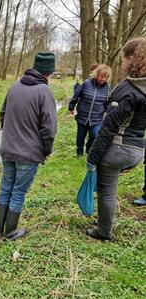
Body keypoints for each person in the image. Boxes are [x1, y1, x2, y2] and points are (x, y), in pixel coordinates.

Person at [86, 37, 146, 240]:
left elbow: (107, 129)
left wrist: (91, 159)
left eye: (124, 59)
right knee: (110, 190)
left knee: (106, 192)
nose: (122, 63)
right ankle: (106, 220)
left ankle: (104, 231)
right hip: (137, 150)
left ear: (132, 59)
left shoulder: (127, 89)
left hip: (117, 149)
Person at [0, 52, 57, 240]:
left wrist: (9, 136)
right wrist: (46, 150)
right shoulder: (44, 92)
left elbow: (3, 114)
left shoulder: (15, 85)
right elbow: (49, 128)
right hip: (28, 154)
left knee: (6, 188)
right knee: (18, 192)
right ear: (49, 71)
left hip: (7, 149)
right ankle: (10, 232)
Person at [68, 64, 111, 157]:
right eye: (101, 76)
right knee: (81, 136)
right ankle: (79, 153)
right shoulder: (87, 83)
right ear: (97, 74)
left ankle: (88, 150)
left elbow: (107, 103)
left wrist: (108, 111)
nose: (102, 79)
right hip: (82, 115)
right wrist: (71, 107)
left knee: (94, 135)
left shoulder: (108, 88)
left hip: (97, 118)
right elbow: (76, 95)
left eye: (105, 77)